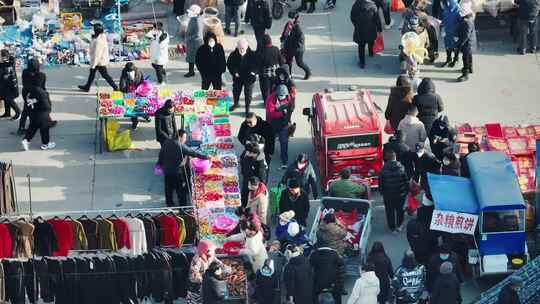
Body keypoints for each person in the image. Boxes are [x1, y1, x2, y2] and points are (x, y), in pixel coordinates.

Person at [157, 129, 209, 207]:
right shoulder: (180, 146)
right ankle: (182, 207)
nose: (185, 139)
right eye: (185, 137)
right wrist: (206, 157)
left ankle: (169, 204)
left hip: (167, 170)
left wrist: (160, 165)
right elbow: (193, 153)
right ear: (180, 137)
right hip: (177, 171)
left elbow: (161, 155)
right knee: (181, 190)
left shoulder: (167, 141)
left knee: (168, 188)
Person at [19, 58, 56, 135]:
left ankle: (21, 127)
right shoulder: (41, 75)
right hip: (38, 95)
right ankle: (47, 122)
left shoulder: (25, 72)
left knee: (26, 109)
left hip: (27, 93)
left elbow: (25, 83)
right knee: (44, 109)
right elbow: (42, 87)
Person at [78, 23, 118, 91]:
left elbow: (97, 54)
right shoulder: (99, 36)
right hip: (98, 60)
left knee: (104, 75)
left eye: (93, 29)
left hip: (99, 61)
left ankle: (115, 87)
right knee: (92, 74)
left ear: (96, 31)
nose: (92, 30)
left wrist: (93, 65)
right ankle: (87, 87)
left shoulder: (99, 41)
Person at [379, 150, 410, 233]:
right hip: (401, 194)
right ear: (395, 157)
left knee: (389, 211)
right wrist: (407, 191)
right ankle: (399, 225)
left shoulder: (383, 169)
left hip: (388, 195)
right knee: (400, 210)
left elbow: (381, 183)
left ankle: (392, 227)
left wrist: (382, 192)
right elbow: (406, 181)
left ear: (387, 159)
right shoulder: (401, 168)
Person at [227, 39, 258, 114]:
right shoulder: (233, 55)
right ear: (237, 47)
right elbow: (229, 65)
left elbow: (258, 65)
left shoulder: (253, 55)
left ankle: (247, 107)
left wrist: (254, 72)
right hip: (238, 78)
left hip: (249, 78)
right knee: (236, 91)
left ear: (247, 47)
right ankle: (236, 103)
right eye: (240, 48)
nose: (241, 50)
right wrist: (234, 72)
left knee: (248, 94)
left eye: (243, 48)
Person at [310, 240, 346, 304]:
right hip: (332, 282)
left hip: (318, 283)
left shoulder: (314, 254)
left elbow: (310, 267)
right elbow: (341, 264)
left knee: (315, 297)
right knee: (336, 296)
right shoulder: (334, 254)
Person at [21, 85, 55, 151]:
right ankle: (45, 144)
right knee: (44, 129)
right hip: (42, 114)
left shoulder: (29, 93)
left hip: (33, 114)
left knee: (32, 128)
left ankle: (26, 140)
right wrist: (48, 111)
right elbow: (47, 106)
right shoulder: (43, 93)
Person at [266, 84, 293, 169]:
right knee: (270, 138)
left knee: (284, 142)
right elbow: (271, 112)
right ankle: (269, 154)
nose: (283, 97)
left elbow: (290, 107)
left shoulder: (288, 97)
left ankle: (284, 160)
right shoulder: (270, 99)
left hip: (283, 123)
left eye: (284, 95)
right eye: (281, 95)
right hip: (272, 122)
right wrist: (281, 111)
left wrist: (286, 115)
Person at [350, 0, 382, 69]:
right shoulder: (373, 6)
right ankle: (371, 52)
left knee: (361, 46)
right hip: (371, 29)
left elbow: (352, 16)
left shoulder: (357, 4)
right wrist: (379, 30)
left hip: (360, 29)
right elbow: (377, 19)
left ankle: (362, 63)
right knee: (371, 41)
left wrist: (356, 24)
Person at [280, 12, 311, 80]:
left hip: (298, 49)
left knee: (299, 63)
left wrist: (288, 44)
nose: (289, 20)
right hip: (289, 47)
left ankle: (308, 72)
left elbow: (299, 41)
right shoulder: (289, 24)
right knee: (288, 62)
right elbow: (284, 33)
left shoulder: (297, 29)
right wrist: (282, 39)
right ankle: (289, 75)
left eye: (291, 18)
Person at [118, 62, 147, 130]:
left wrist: (141, 89)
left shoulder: (139, 71)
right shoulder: (124, 72)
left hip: (138, 91)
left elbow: (142, 80)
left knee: (141, 105)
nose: (129, 73)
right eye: (128, 71)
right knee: (131, 108)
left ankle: (145, 116)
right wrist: (124, 90)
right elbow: (122, 83)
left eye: (131, 71)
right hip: (129, 92)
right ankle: (135, 122)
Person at [258, 34, 284, 103]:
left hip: (264, 75)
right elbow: (281, 61)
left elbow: (258, 64)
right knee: (273, 89)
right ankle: (273, 102)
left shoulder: (261, 51)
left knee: (265, 90)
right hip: (274, 73)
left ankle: (266, 103)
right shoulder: (276, 49)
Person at [456, 2, 476, 82]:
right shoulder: (470, 18)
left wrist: (459, 44)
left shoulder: (467, 21)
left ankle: (465, 74)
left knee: (465, 58)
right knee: (469, 56)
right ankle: (470, 68)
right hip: (470, 43)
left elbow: (465, 36)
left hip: (467, 44)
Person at [0, 49, 20, 120]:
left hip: (10, 85)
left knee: (9, 99)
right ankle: (7, 113)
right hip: (4, 85)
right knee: (5, 98)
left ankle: (18, 112)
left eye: (1, 55)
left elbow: (6, 73)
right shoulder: (4, 63)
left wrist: (4, 60)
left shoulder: (9, 63)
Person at [184, 5, 204, 78]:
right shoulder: (196, 17)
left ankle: (192, 72)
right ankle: (191, 71)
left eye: (191, 12)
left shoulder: (197, 21)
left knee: (193, 58)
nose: (189, 13)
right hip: (193, 42)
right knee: (192, 58)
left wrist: (188, 38)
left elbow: (197, 35)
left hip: (195, 43)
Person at [440, 0, 460, 67]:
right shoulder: (446, 7)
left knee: (456, 46)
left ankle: (456, 59)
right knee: (447, 45)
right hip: (447, 30)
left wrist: (458, 33)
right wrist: (442, 28)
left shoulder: (458, 8)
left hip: (455, 31)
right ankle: (448, 59)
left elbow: (460, 21)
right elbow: (443, 18)